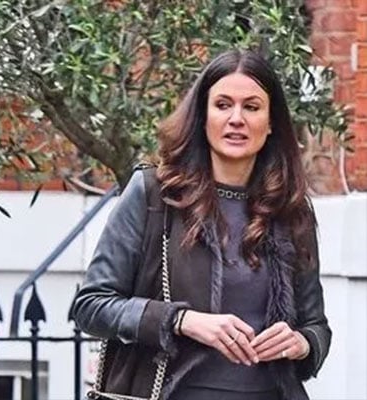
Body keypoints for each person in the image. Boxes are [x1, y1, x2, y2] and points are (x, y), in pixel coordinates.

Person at [72, 49, 331, 400]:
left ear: (271, 123)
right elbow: (91, 305)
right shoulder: (155, 195)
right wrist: (180, 320)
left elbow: (316, 326)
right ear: (203, 117)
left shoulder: (291, 209)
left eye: (251, 107)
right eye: (223, 105)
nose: (236, 118)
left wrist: (301, 343)